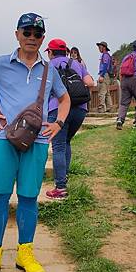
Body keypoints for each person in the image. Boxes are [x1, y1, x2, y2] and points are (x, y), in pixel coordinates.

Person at [0, 12, 70, 272]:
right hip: (1, 139)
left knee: (29, 198)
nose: (31, 37)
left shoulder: (49, 70)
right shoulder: (0, 64)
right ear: (17, 34)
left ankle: (25, 254)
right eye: (27, 32)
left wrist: (58, 123)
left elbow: (65, 98)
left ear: (42, 38)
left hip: (37, 141)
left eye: (37, 34)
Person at [46, 39, 94, 200]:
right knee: (66, 142)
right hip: (80, 108)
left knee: (58, 146)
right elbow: (90, 82)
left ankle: (60, 187)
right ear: (66, 51)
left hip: (58, 109)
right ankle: (63, 176)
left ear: (50, 52)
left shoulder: (48, 66)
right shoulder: (77, 64)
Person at [116, 39, 136, 129]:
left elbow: (121, 70)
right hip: (135, 80)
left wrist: (122, 81)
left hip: (125, 80)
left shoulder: (126, 57)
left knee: (124, 103)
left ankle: (120, 119)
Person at [96, 41, 113, 113]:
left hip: (104, 74)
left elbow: (105, 65)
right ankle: (109, 107)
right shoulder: (107, 55)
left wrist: (102, 75)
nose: (99, 49)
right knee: (107, 92)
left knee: (102, 92)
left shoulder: (105, 55)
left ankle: (102, 108)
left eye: (100, 47)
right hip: (107, 75)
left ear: (104, 47)